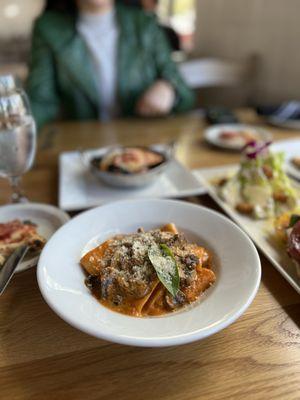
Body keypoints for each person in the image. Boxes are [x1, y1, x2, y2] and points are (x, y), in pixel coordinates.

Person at [26, 0, 195, 129]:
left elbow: (185, 93)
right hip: (81, 146)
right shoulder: (47, 28)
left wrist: (169, 88)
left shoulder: (145, 24)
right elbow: (41, 99)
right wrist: (20, 121)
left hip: (143, 141)